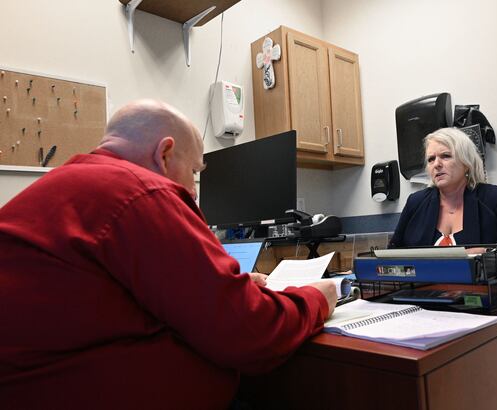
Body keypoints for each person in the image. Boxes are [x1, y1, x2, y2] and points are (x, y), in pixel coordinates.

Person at [0, 100, 337, 409]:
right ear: (164, 154)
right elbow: (250, 334)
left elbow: (106, 303)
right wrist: (316, 299)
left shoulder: (66, 188)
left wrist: (226, 286)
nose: (191, 191)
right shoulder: (141, 191)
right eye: (193, 173)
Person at [389, 127, 497, 274]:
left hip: (483, 296)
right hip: (423, 296)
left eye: (446, 156)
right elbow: (390, 257)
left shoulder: (496, 199)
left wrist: (489, 255)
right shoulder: (416, 203)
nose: (437, 164)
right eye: (431, 159)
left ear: (466, 163)